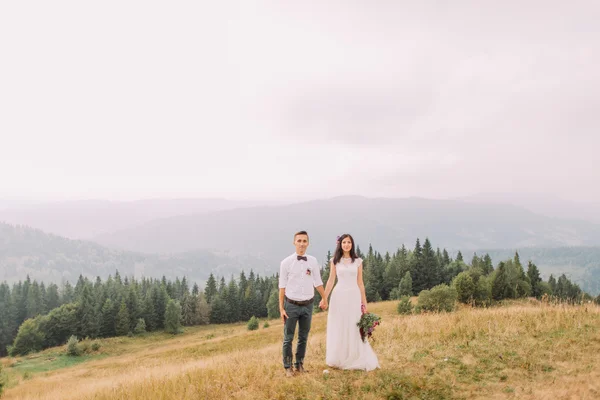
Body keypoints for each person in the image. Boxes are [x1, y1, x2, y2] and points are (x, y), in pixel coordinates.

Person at [320, 233, 380, 371]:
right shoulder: (335, 261)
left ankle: (354, 356)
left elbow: (360, 283)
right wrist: (325, 297)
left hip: (353, 296)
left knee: (354, 325)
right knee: (339, 325)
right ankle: (338, 357)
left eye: (349, 242)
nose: (346, 244)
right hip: (338, 296)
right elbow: (331, 280)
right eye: (344, 242)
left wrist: (364, 303)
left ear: (352, 245)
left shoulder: (358, 261)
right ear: (340, 245)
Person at [279, 230, 327, 377]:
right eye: (299, 241)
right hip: (291, 305)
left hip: (308, 305)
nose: (301, 244)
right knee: (288, 338)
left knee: (303, 337)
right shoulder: (286, 263)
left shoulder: (312, 261)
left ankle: (299, 365)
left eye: (304, 241)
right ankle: (288, 367)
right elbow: (282, 287)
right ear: (294, 242)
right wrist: (281, 308)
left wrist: (324, 298)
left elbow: (318, 282)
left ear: (308, 243)